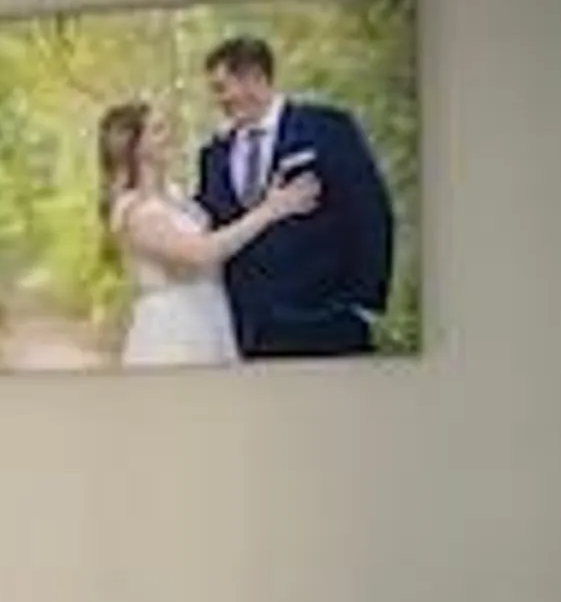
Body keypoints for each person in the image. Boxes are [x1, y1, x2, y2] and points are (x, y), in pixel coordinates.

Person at [193, 34, 395, 356]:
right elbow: (214, 230)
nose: (219, 100)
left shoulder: (327, 128)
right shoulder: (213, 154)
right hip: (250, 331)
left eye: (222, 87)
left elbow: (370, 212)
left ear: (255, 78)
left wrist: (365, 302)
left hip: (327, 319)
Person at [98, 98, 314, 367]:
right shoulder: (135, 211)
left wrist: (267, 202)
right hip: (172, 330)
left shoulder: (178, 197)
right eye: (158, 130)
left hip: (210, 318)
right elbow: (200, 254)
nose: (169, 137)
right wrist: (269, 211)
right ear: (135, 147)